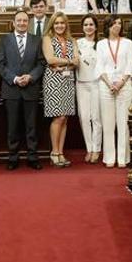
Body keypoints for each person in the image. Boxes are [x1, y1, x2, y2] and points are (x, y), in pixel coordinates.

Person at [0, 11, 46, 170]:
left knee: (31, 126)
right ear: (14, 22)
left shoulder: (36, 40)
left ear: (28, 22)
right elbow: (0, 65)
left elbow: (41, 64)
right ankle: (13, 157)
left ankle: (32, 156)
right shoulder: (4, 40)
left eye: (25, 20)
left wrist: (30, 77)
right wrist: (15, 78)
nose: (22, 23)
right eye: (19, 20)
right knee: (12, 126)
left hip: (31, 89)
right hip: (11, 89)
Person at [96, 14, 132, 168]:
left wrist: (120, 83)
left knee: (123, 122)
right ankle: (109, 157)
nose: (117, 26)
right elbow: (99, 67)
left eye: (119, 23)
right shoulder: (101, 44)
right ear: (108, 26)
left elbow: (129, 65)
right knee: (108, 123)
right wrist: (109, 83)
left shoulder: (127, 43)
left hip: (124, 85)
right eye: (114, 23)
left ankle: (123, 157)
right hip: (106, 86)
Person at [42, 12, 79, 167]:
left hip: (68, 79)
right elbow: (50, 59)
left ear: (66, 24)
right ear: (52, 24)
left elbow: (77, 62)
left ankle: (61, 152)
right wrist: (69, 61)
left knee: (65, 118)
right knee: (59, 116)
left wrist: (65, 63)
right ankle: (54, 152)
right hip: (53, 80)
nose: (59, 26)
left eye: (62, 23)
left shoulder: (72, 40)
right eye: (56, 23)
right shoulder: (47, 39)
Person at [76, 15, 102, 163]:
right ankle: (89, 148)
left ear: (96, 27)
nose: (88, 27)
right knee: (84, 118)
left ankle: (97, 149)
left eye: (91, 24)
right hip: (81, 84)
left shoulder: (101, 44)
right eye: (85, 25)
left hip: (97, 84)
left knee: (96, 118)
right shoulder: (77, 43)